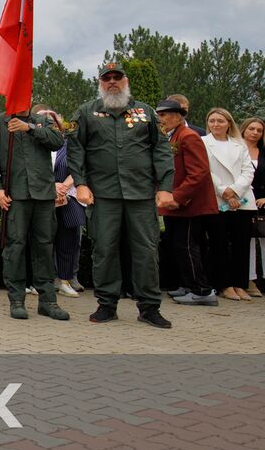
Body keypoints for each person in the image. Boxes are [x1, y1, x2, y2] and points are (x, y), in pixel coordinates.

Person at [66, 59, 175, 328]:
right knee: (104, 250)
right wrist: (80, 183)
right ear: (100, 83)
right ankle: (106, 304)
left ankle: (149, 307)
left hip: (140, 194)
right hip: (102, 195)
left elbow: (161, 150)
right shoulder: (86, 112)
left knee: (146, 251)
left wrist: (165, 187)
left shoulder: (146, 112)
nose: (112, 81)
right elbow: (76, 150)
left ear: (126, 82)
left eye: (117, 77)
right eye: (107, 78)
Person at [0, 104, 69, 320]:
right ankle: (16, 300)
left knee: (44, 246)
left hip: (42, 194)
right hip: (15, 195)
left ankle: (48, 301)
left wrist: (29, 128)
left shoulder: (42, 121)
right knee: (15, 247)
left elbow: (58, 141)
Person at [155, 99, 218, 305]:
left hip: (189, 205)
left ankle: (201, 291)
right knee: (177, 245)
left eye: (164, 115)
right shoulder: (173, 135)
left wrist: (178, 197)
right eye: (159, 115)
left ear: (177, 116)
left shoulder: (189, 136)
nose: (160, 119)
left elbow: (199, 173)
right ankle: (187, 285)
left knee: (188, 246)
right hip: (176, 204)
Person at [201, 107, 257, 301]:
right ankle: (223, 284)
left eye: (220, 121)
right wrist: (224, 191)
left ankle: (240, 284)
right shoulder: (203, 143)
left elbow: (248, 171)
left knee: (242, 244)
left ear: (229, 123)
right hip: (217, 199)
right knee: (219, 244)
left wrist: (235, 191)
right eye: (212, 120)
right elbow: (205, 170)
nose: (216, 124)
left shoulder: (239, 144)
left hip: (242, 200)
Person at [44, 108, 86, 298]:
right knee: (43, 240)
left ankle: (64, 280)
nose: (53, 127)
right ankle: (43, 280)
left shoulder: (71, 143)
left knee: (69, 240)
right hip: (45, 196)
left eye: (56, 124)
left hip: (70, 195)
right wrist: (52, 187)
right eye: (48, 124)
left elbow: (81, 165)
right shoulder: (38, 144)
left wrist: (63, 187)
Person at [241, 116, 265, 296]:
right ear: (244, 129)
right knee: (245, 240)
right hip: (241, 200)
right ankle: (249, 279)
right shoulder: (236, 149)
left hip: (263, 201)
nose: (255, 132)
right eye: (252, 129)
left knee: (264, 240)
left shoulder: (263, 152)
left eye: (259, 130)